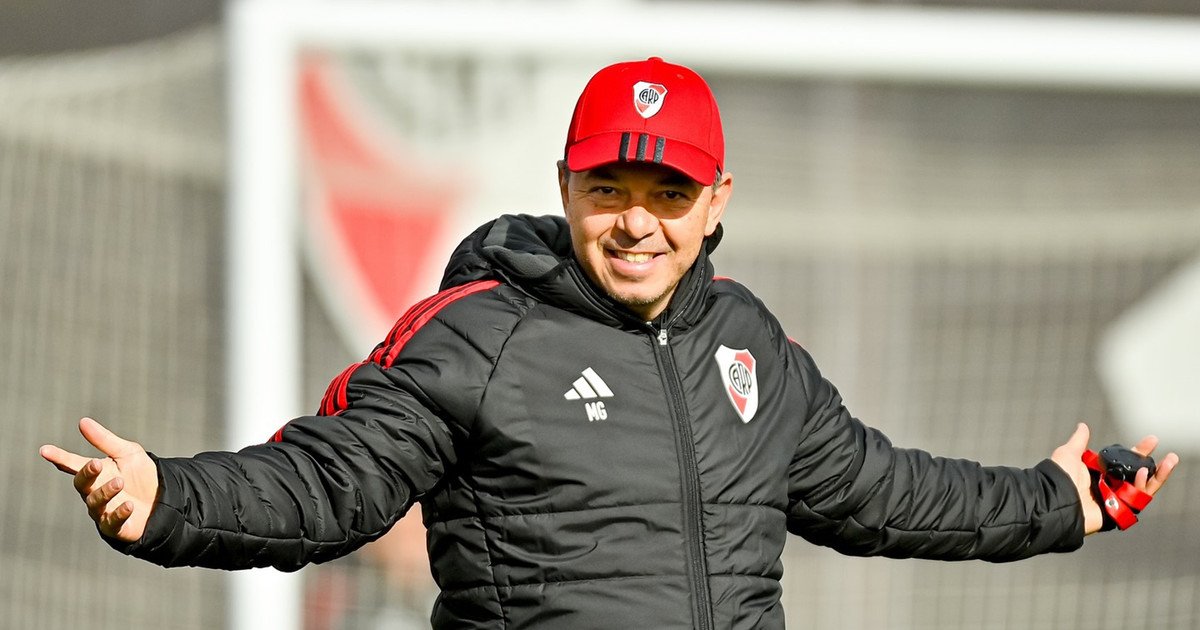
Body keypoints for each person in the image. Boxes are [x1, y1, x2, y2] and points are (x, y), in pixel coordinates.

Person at [41, 57, 1178, 629]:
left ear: (716, 199)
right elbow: (329, 484)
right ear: (565, 187)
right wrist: (170, 499)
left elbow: (890, 493)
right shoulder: (473, 335)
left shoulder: (752, 348)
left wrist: (1056, 501)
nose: (637, 222)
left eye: (668, 193)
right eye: (609, 188)